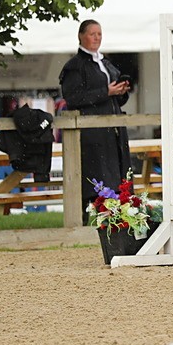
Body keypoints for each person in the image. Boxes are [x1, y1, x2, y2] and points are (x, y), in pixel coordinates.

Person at [58, 20, 131, 223]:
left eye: (99, 34)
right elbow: (73, 98)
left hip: (113, 128)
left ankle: (119, 218)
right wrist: (105, 92)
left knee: (117, 175)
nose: (97, 38)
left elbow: (115, 98)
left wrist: (121, 91)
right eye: (92, 34)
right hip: (92, 131)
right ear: (81, 36)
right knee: (97, 176)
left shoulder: (105, 63)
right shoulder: (74, 66)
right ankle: (92, 219)